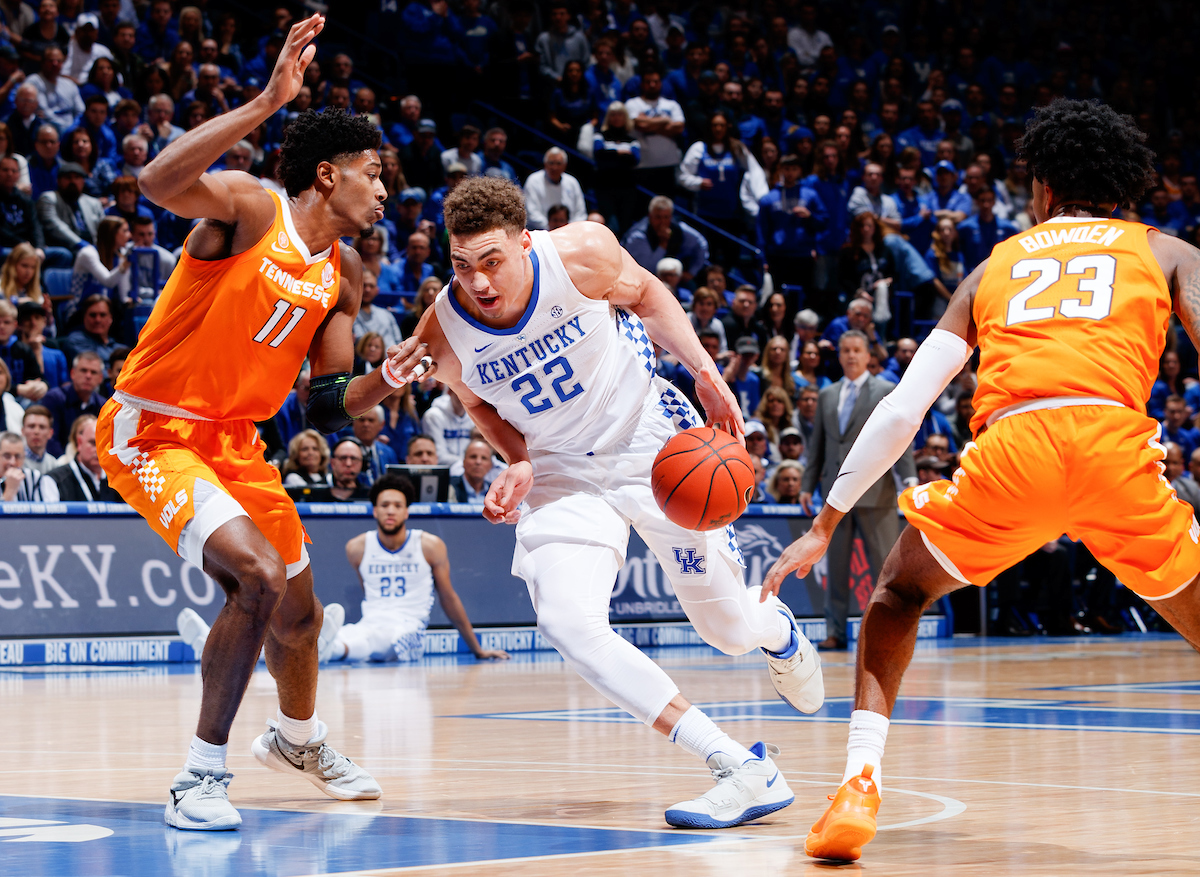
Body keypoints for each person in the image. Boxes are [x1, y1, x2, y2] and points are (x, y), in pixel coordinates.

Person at [763, 98, 1200, 863]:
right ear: (1120, 185)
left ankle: (858, 784)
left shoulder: (993, 266)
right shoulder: (1166, 250)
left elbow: (903, 408)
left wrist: (826, 522)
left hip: (1013, 451)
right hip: (1111, 446)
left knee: (899, 593)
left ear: (1042, 187)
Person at [93, 17, 435, 832]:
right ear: (327, 174)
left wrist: (384, 382)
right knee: (257, 576)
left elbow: (326, 402)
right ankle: (198, 777)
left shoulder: (344, 272)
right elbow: (157, 181)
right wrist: (266, 102)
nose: (384, 190)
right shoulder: (252, 207)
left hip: (237, 443)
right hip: (154, 428)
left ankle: (298, 740)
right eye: (372, 174)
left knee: (302, 616)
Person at [409, 175, 823, 828]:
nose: (478, 281)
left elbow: (650, 295)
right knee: (568, 622)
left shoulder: (582, 254)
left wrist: (705, 372)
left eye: (491, 261)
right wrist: (518, 458)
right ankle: (738, 765)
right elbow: (478, 403)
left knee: (728, 633)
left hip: (650, 439)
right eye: (462, 265)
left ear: (525, 242)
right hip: (559, 471)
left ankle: (775, 628)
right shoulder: (442, 330)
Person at [799, 329, 915, 651]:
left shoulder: (886, 390)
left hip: (877, 492)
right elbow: (818, 446)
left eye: (856, 350)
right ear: (839, 355)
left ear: (868, 356)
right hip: (835, 494)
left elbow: (900, 437)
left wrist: (909, 478)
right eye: (846, 350)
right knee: (835, 569)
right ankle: (835, 632)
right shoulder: (827, 394)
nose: (851, 355)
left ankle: (891, 630)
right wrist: (808, 485)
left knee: (886, 568)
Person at [320, 473, 510, 663]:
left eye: (397, 506)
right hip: (371, 622)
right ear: (375, 511)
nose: (391, 511)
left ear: (406, 512)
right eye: (385, 505)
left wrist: (477, 649)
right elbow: (367, 591)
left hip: (409, 629)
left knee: (379, 640)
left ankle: (331, 649)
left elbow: (448, 598)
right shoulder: (357, 548)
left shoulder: (429, 546)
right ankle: (324, 647)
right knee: (351, 632)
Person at [622, 195, 708, 284]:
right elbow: (647, 270)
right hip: (638, 281)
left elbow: (702, 243)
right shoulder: (638, 237)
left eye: (666, 217)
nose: (662, 222)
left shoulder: (679, 228)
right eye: (658, 217)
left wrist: (692, 272)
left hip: (672, 278)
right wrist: (663, 244)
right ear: (650, 216)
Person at [41, 413, 121, 500]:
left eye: (105, 444)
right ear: (79, 443)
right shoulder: (55, 480)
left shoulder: (120, 480)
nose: (99, 450)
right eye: (93, 443)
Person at [41, 349, 106, 446]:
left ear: (100, 378)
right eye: (83, 370)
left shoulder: (104, 407)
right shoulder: (54, 398)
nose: (88, 376)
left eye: (93, 372)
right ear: (72, 373)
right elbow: (50, 440)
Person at [523, 147, 586, 230]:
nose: (554, 167)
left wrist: (569, 229)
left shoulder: (572, 182)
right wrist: (552, 228)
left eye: (558, 163)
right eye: (551, 163)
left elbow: (580, 213)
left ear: (565, 165)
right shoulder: (533, 181)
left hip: (569, 231)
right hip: (541, 231)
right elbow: (531, 213)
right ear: (545, 164)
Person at [353, 404, 399, 485]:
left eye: (371, 420)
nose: (366, 424)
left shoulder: (388, 452)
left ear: (381, 425)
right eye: (362, 420)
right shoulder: (345, 451)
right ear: (353, 423)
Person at [449, 437, 494, 504]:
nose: (478, 462)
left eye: (484, 458)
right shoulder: (448, 487)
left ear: (491, 465)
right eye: (473, 457)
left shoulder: (495, 491)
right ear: (463, 462)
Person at [328, 437, 372, 501]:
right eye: (343, 458)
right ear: (332, 463)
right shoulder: (316, 492)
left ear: (362, 463)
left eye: (354, 458)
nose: (348, 464)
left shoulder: (369, 495)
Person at [21, 403, 59, 470]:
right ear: (23, 431)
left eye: (42, 427)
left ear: (50, 433)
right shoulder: (15, 461)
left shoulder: (53, 464)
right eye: (31, 426)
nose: (36, 432)